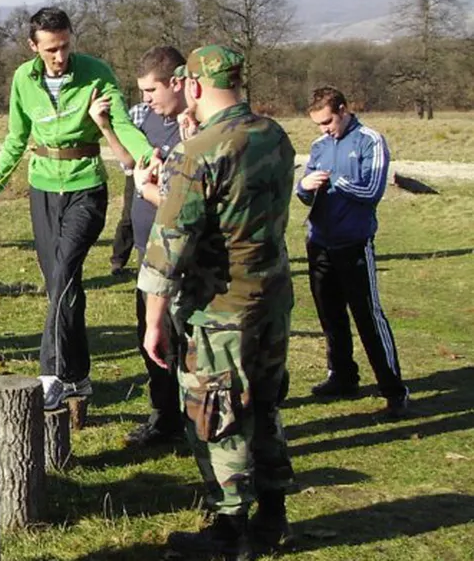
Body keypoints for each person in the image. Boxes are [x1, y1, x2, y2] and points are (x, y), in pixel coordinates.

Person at [138, 45, 295, 560]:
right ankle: (273, 517)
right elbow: (238, 213)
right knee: (266, 404)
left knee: (217, 412)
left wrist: (154, 320)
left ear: (195, 86)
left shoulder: (199, 151)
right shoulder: (273, 135)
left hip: (219, 309)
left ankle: (229, 533)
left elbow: (171, 243)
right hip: (270, 296)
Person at [0, 7, 153, 410]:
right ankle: (80, 377)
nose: (60, 56)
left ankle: (51, 373)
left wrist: (147, 156)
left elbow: (123, 124)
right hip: (42, 188)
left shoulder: (96, 72)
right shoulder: (23, 79)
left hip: (85, 187)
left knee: (63, 272)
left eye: (66, 46)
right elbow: (16, 137)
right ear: (34, 47)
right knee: (63, 283)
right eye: (51, 49)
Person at [297, 86, 409, 416]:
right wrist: (305, 186)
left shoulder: (369, 140)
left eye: (329, 121)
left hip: (354, 241)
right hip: (319, 242)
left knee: (368, 316)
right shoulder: (319, 146)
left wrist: (335, 181)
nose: (325, 129)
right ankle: (342, 376)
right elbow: (303, 192)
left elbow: (372, 190)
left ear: (344, 110)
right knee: (330, 316)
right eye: (318, 124)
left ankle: (393, 388)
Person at [119, 46, 190, 448]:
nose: (145, 99)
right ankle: (164, 418)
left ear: (175, 82)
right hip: (149, 250)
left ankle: (194, 421)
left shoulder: (192, 127)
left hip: (180, 254)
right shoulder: (142, 118)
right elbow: (127, 163)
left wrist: (150, 190)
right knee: (151, 337)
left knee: (182, 339)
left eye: (151, 90)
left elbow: (188, 203)